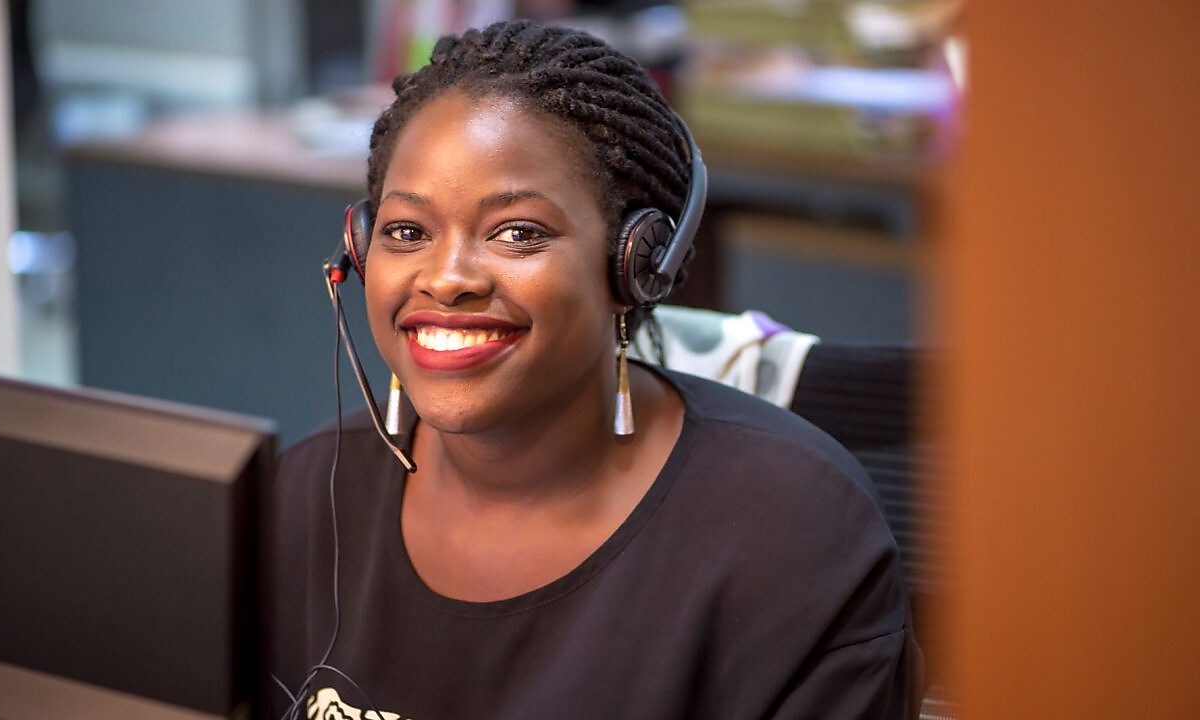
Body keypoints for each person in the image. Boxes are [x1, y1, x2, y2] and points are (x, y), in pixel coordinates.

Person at [268, 19, 922, 720]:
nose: (447, 278)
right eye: (407, 232)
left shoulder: (791, 531)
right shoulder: (307, 495)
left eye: (518, 232)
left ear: (634, 264)